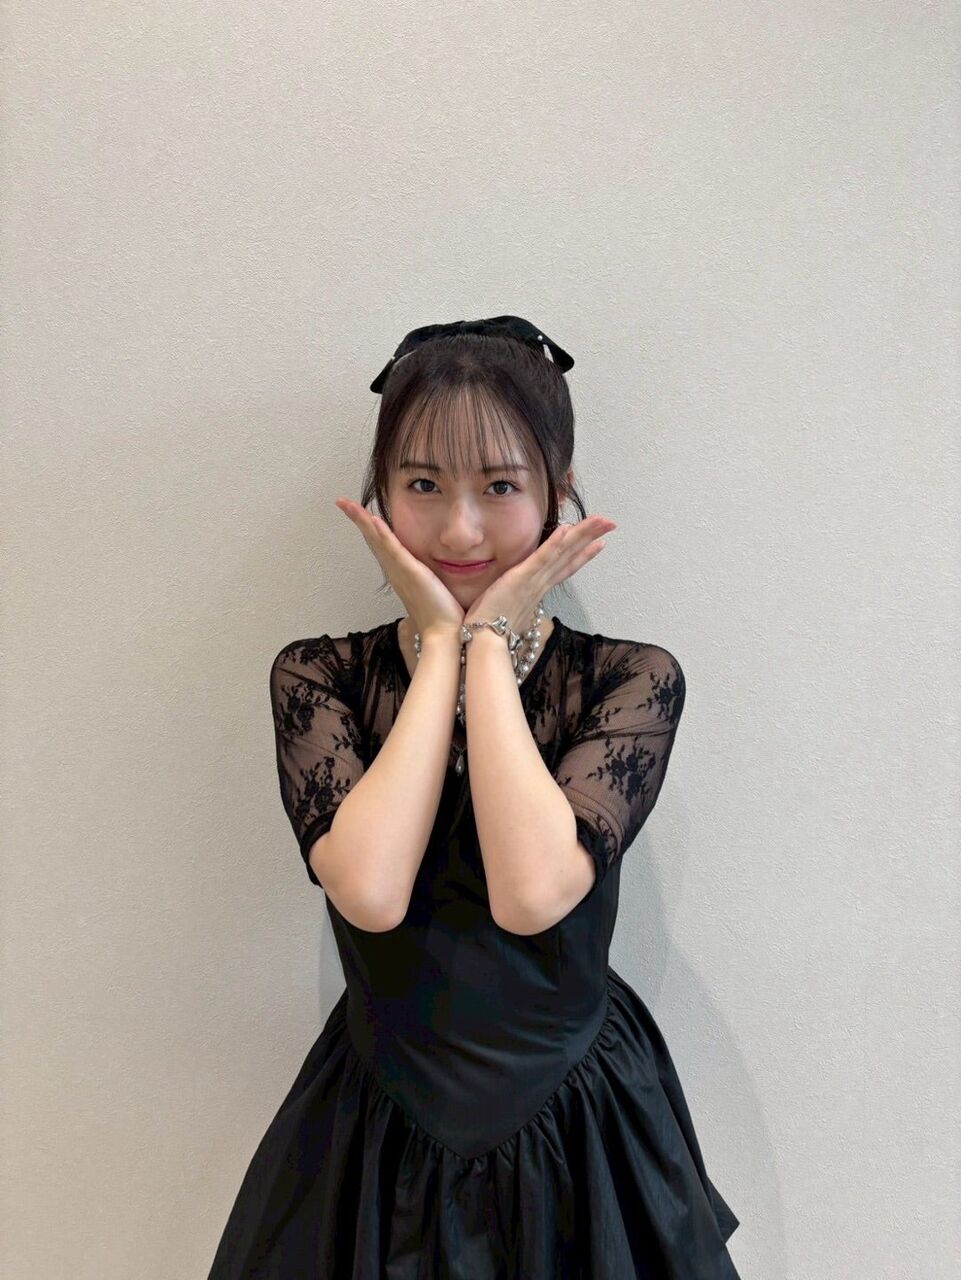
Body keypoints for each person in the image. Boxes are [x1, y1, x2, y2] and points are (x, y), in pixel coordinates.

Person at [207, 316, 741, 1278]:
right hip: (377, 1122)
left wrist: (484, 644)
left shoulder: (629, 679)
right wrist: (442, 650)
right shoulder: (319, 677)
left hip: (582, 1124)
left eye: (499, 486)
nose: (459, 530)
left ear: (556, 494)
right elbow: (369, 893)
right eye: (422, 486)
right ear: (380, 495)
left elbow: (531, 894)